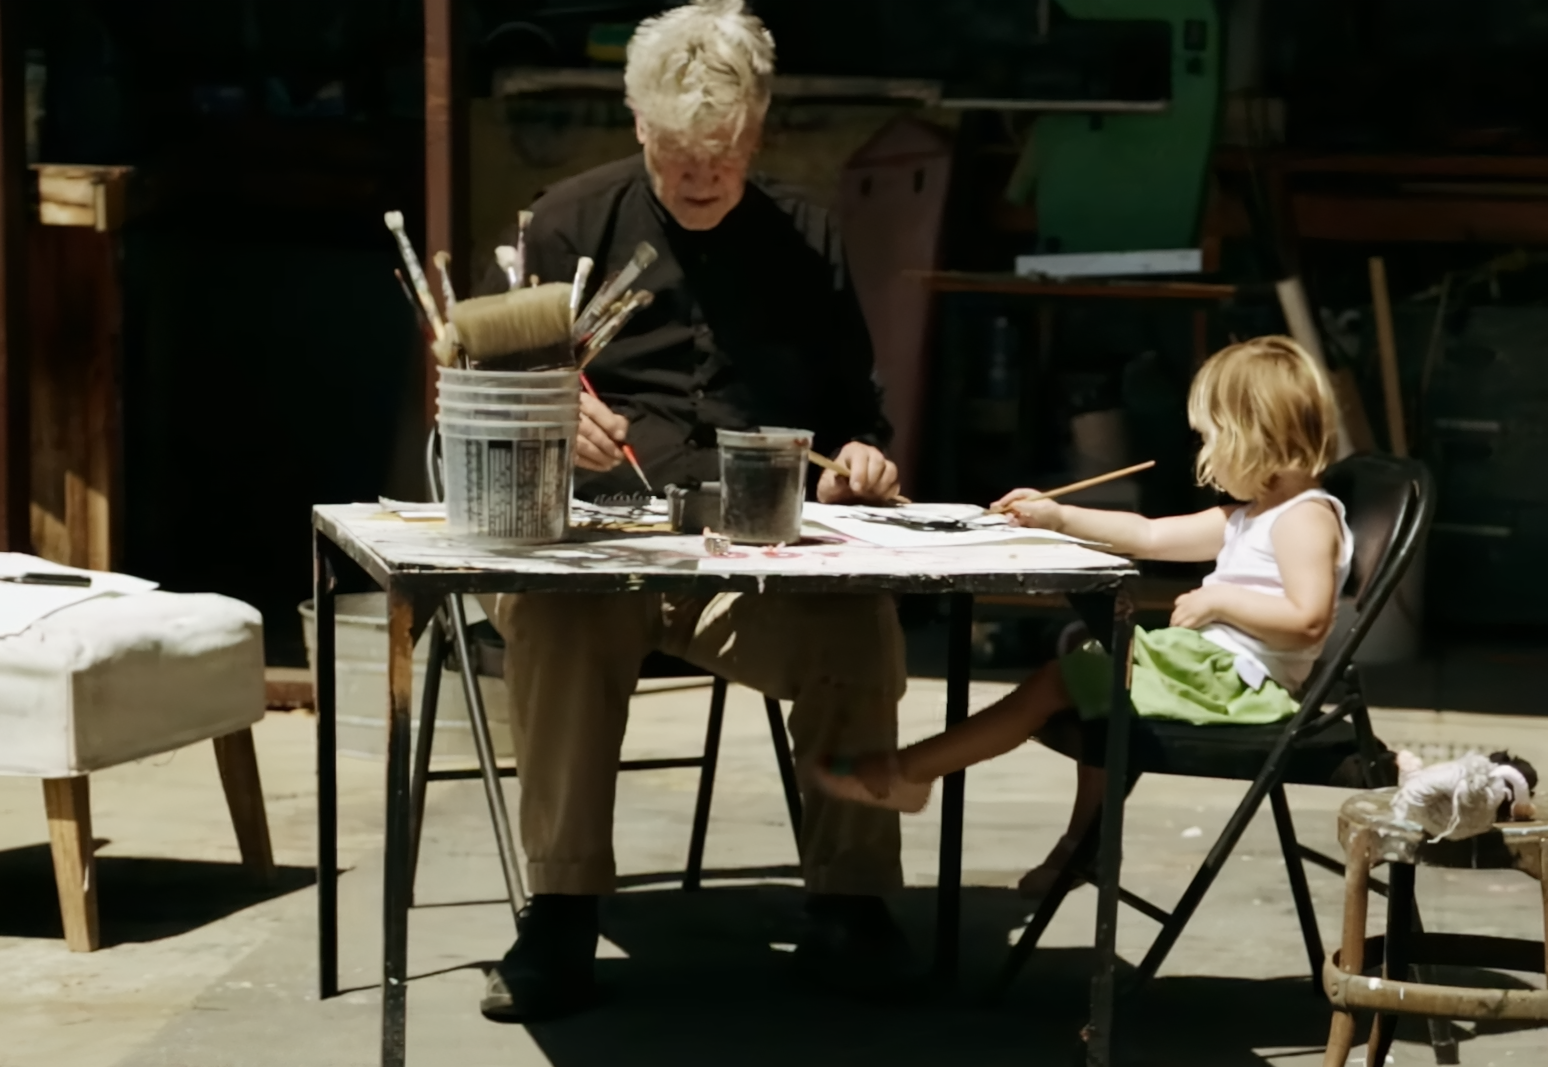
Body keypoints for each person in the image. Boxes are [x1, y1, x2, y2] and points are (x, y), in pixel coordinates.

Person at [473, 0, 916, 1023]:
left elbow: (862, 418)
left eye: (721, 149)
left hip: (755, 559)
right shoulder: (566, 226)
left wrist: (859, 458)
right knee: (559, 620)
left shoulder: (806, 237)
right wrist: (548, 410)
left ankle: (850, 902)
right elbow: (480, 397)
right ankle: (561, 907)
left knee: (860, 616)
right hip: (591, 549)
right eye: (677, 150)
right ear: (637, 125)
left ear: (757, 128)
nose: (700, 173)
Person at [810, 337, 1354, 894]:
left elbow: (1310, 619)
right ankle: (1085, 845)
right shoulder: (1253, 515)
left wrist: (1220, 601)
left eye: (1212, 438)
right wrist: (1057, 516)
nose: (1205, 455)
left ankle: (909, 774)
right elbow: (1149, 534)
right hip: (1213, 672)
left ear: (1250, 436)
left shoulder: (1303, 519)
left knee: (1064, 680)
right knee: (1088, 671)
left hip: (1242, 685)